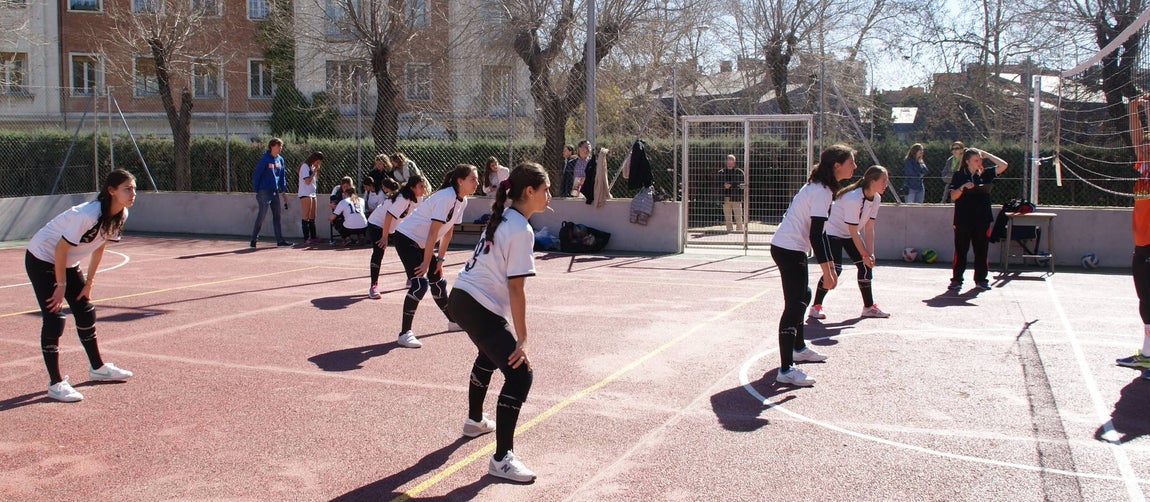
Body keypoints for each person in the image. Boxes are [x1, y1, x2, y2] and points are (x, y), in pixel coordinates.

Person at [448, 163, 551, 483]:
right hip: (477, 305)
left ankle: (475, 420)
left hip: (462, 298)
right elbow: (516, 289)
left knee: (488, 354)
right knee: (520, 375)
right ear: (529, 192)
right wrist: (523, 339)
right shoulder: (521, 229)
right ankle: (502, 458)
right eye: (545, 189)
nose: (550, 195)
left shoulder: (504, 217)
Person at [26, 169, 137, 402]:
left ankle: (97, 367)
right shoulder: (88, 214)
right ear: (111, 190)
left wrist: (89, 283)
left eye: (134, 188)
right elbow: (60, 249)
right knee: (55, 318)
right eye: (127, 188)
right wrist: (60, 285)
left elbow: (100, 245)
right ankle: (55, 383)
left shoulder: (121, 214)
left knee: (86, 310)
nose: (133, 193)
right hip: (42, 257)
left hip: (67, 261)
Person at [769, 144, 857, 387]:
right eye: (851, 162)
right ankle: (786, 369)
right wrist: (828, 270)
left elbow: (818, 235)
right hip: (788, 249)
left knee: (804, 294)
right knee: (795, 305)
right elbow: (817, 235)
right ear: (837, 165)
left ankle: (798, 348)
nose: (855, 167)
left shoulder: (822, 188)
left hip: (789, 247)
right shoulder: (821, 191)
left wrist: (829, 268)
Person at [391, 164, 479, 348]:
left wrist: (440, 260)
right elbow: (433, 233)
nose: (477, 183)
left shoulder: (462, 200)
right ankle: (404, 333)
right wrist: (425, 262)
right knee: (419, 284)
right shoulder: (446, 197)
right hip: (406, 238)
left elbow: (448, 231)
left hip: (422, 243)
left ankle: (453, 321)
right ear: (460, 181)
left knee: (438, 282)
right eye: (473, 179)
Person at [809, 165, 891, 320]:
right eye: (883, 181)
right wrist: (864, 253)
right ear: (872, 181)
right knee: (836, 270)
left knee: (866, 265)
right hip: (832, 232)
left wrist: (870, 253)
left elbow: (869, 227)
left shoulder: (876, 198)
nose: (886, 184)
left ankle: (868, 307)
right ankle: (815, 307)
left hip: (849, 233)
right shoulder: (853, 198)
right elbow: (854, 231)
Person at [1116, 95, 1150, 375]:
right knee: (1145, 301)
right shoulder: (1144, 168)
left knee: (1148, 301)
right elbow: (1139, 139)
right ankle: (1148, 354)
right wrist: (1135, 109)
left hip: (1149, 246)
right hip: (1142, 245)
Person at [947, 147, 1008, 291]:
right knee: (961, 250)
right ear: (967, 161)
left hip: (982, 219)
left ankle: (981, 280)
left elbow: (1003, 165)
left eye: (980, 159)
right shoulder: (959, 175)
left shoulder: (985, 174)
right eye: (976, 160)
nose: (979, 162)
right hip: (963, 219)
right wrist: (963, 187)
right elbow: (953, 196)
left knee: (981, 250)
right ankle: (956, 280)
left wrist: (987, 154)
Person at [366, 175, 426, 299]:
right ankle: (373, 287)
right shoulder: (403, 199)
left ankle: (411, 278)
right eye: (421, 186)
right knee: (379, 251)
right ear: (412, 187)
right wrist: (384, 237)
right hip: (377, 224)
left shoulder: (419, 198)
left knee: (407, 249)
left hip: (394, 227)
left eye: (424, 186)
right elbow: (388, 216)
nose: (424, 189)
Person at [250, 137, 291, 248]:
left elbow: (282, 176)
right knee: (262, 215)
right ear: (272, 146)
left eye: (281, 146)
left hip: (274, 192)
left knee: (277, 215)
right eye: (278, 146)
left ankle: (280, 241)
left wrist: (283, 191)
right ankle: (253, 240)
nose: (280, 148)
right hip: (264, 191)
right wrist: (257, 190)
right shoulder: (264, 159)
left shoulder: (280, 160)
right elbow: (256, 175)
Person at [298, 151, 323, 244]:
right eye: (318, 161)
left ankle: (313, 236)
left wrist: (315, 170)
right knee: (306, 216)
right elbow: (307, 181)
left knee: (312, 216)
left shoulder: (312, 167)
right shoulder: (305, 166)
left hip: (312, 193)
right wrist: (315, 171)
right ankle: (306, 238)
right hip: (305, 193)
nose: (318, 163)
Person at [716, 154, 745, 232]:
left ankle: (739, 231)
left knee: (738, 216)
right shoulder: (721, 172)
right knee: (727, 216)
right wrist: (723, 185)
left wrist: (732, 185)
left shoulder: (739, 172)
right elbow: (717, 184)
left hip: (736, 197)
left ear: (734, 161)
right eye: (728, 159)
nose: (730, 161)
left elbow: (743, 185)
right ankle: (729, 231)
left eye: (731, 159)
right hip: (725, 197)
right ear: (726, 161)